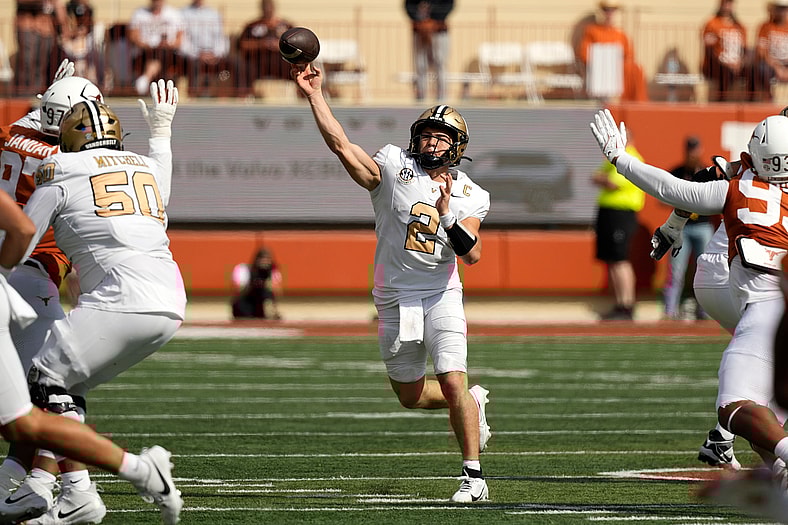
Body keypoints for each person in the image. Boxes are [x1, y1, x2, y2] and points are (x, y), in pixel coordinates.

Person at [291, 63, 492, 502]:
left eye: (441, 136)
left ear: (456, 147)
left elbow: (472, 253)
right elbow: (342, 145)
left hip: (441, 293)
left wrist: (446, 214)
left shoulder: (471, 193)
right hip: (395, 297)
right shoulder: (393, 165)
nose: (430, 141)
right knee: (410, 396)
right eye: (426, 133)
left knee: (452, 378)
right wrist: (314, 95)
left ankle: (474, 477)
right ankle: (472, 406)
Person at [0, 82, 186, 524]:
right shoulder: (142, 166)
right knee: (66, 384)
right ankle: (47, 488)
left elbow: (25, 235)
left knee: (42, 380)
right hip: (171, 300)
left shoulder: (59, 168)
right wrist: (161, 131)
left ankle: (76, 491)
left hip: (122, 298)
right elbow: (161, 189)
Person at [591, 108, 788, 502]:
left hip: (767, 307)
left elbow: (676, 189)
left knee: (734, 406)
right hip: (774, 305)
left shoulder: (739, 187)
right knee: (768, 412)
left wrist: (620, 159)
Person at [0, 62, 105, 502]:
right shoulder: (65, 160)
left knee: (31, 396)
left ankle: (11, 483)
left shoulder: (7, 134)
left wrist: (50, 94)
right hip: (30, 274)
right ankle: (76, 488)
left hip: (7, 273)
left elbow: (28, 126)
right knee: (53, 395)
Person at [590, 129, 645, 321]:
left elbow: (613, 183)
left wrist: (602, 179)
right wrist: (602, 179)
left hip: (621, 214)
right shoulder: (613, 159)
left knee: (620, 259)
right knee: (612, 260)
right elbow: (595, 176)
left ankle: (627, 304)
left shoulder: (629, 157)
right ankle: (619, 304)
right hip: (609, 213)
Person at [662, 136, 716, 321]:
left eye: (695, 149)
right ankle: (669, 311)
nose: (692, 153)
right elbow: (663, 195)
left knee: (706, 269)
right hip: (682, 227)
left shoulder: (707, 171)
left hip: (702, 226)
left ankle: (707, 311)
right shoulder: (677, 172)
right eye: (689, 149)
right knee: (675, 270)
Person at [576, 0, 648, 102]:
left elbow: (629, 55)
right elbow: (584, 54)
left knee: (635, 68)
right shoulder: (591, 31)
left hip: (618, 68)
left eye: (612, 10)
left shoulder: (620, 34)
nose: (609, 13)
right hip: (600, 67)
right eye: (606, 10)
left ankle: (635, 101)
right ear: (601, 12)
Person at [236, 0, 293, 99]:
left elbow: (295, 45)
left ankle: (302, 94)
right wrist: (262, 44)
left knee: (297, 65)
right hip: (257, 64)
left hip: (281, 63)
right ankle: (245, 96)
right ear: (261, 8)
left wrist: (279, 45)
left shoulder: (285, 25)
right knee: (242, 67)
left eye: (270, 7)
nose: (268, 10)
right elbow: (243, 44)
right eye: (265, 7)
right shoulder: (252, 26)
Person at [14, 0, 70, 95]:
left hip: (46, 28)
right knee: (27, 64)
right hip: (27, 26)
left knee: (42, 67)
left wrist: (64, 27)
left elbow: (58, 4)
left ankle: (38, 95)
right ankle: (24, 95)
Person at [128, 0, 185, 95]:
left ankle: (145, 79)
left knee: (159, 55)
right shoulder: (140, 13)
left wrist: (169, 44)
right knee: (156, 55)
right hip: (146, 51)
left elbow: (180, 38)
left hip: (170, 52)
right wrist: (148, 45)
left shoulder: (174, 14)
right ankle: (147, 81)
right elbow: (133, 36)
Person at [405, 0, 454, 101]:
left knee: (440, 63)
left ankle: (442, 97)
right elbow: (409, 6)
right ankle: (420, 96)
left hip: (439, 31)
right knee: (420, 64)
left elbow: (448, 5)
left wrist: (433, 17)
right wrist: (420, 19)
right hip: (420, 32)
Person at [179, 0, 229, 98]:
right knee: (194, 65)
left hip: (213, 55)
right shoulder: (182, 13)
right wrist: (197, 54)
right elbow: (183, 41)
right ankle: (192, 95)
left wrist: (215, 54)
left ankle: (239, 97)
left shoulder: (214, 14)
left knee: (234, 63)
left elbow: (221, 39)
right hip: (193, 56)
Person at [701, 0, 747, 102]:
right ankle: (721, 101)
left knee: (753, 70)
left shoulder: (739, 26)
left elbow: (745, 50)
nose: (727, 6)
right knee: (724, 71)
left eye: (730, 3)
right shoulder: (712, 23)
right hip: (716, 65)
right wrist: (726, 63)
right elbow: (709, 50)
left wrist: (740, 63)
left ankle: (752, 102)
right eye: (725, 3)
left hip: (736, 65)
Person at [747, 0, 788, 103]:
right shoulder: (765, 27)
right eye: (779, 8)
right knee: (760, 68)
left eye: (784, 8)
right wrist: (777, 67)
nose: (782, 11)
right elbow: (762, 51)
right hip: (771, 64)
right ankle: (768, 99)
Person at [59, 0, 105, 89]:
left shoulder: (95, 35)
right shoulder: (64, 41)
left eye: (84, 17)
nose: (81, 21)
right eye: (77, 18)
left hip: (92, 83)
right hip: (72, 83)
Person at [232, 247, 283, 320]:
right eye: (262, 259)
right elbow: (238, 291)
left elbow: (277, 293)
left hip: (260, 308)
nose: (265, 262)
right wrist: (252, 283)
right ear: (256, 259)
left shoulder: (273, 272)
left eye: (267, 259)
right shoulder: (245, 269)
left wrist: (266, 282)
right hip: (245, 305)